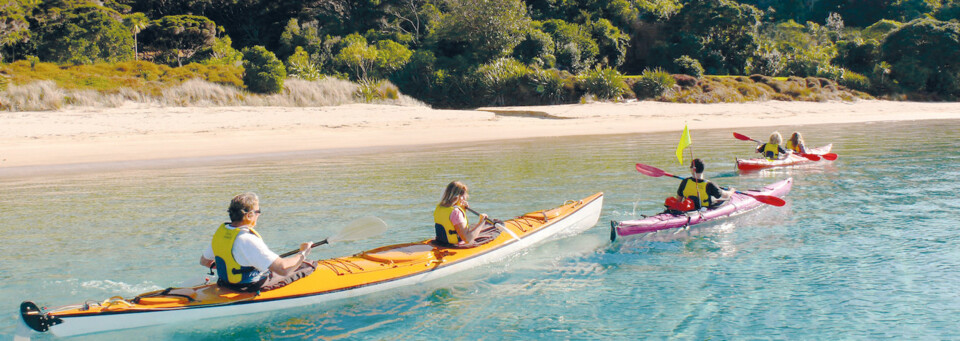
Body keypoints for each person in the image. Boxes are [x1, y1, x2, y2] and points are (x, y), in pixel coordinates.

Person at [200, 192, 316, 292]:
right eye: (258, 211)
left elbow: (204, 261)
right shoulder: (248, 239)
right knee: (308, 265)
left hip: (225, 283)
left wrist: (227, 268)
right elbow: (283, 269)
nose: (259, 215)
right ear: (249, 215)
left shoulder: (222, 234)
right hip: (247, 287)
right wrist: (303, 253)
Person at [434, 181, 490, 247]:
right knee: (487, 229)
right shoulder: (456, 212)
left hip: (442, 241)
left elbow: (453, 222)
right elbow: (467, 239)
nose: (464, 199)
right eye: (463, 197)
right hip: (453, 246)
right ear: (458, 197)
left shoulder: (439, 207)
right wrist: (482, 222)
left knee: (475, 227)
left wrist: (463, 210)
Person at [666, 159, 734, 212]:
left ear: (693, 169)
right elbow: (726, 195)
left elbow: (678, 200)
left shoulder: (685, 182)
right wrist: (731, 191)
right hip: (703, 210)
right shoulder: (710, 185)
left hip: (688, 209)